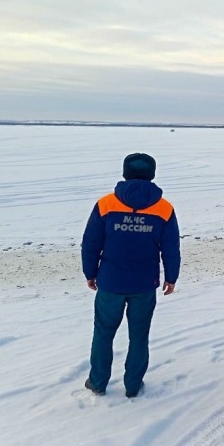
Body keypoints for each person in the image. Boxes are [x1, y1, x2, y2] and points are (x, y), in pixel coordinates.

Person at [81, 152, 180, 397]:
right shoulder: (163, 208)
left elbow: (91, 243)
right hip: (144, 283)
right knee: (139, 334)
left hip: (110, 281)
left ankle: (97, 382)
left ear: (125, 173)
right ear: (152, 174)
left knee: (103, 333)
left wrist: (90, 272)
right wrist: (171, 277)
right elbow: (171, 247)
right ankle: (133, 385)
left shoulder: (106, 204)